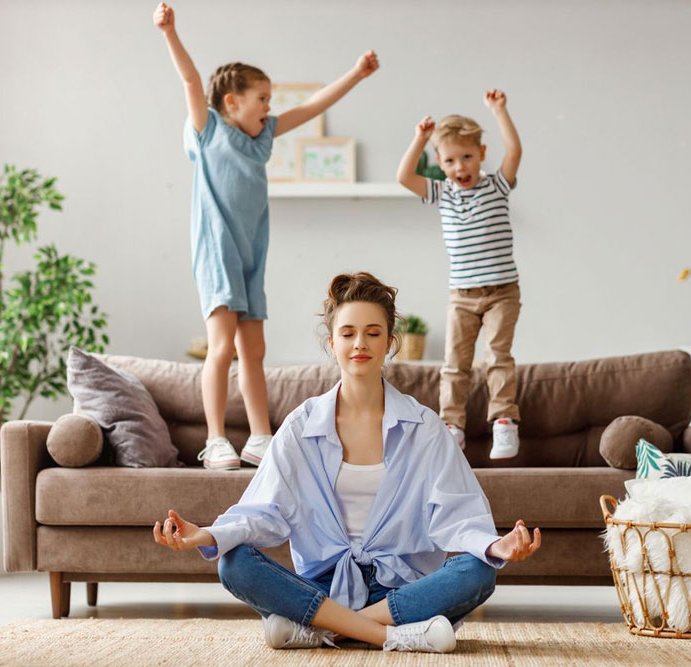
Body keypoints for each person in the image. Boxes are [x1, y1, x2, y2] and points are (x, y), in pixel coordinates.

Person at [153, 272, 541, 653]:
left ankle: (321, 629)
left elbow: (456, 513)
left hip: (399, 590)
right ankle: (392, 636)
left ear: (390, 343)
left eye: (373, 333)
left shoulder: (424, 427)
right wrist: (206, 535)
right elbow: (265, 510)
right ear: (332, 343)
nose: (360, 343)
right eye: (348, 333)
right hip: (321, 586)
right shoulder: (301, 426)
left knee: (478, 571)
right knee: (233, 562)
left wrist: (495, 545)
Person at [154, 2, 379, 470]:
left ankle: (260, 436)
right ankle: (216, 438)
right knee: (221, 346)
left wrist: (356, 74)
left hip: (252, 253)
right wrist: (170, 32)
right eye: (262, 98)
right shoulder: (208, 129)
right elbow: (192, 83)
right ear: (232, 101)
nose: (269, 107)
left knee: (253, 349)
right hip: (217, 252)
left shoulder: (263, 137)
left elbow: (312, 106)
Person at [396, 90, 524, 459]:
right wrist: (420, 137)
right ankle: (452, 425)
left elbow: (514, 151)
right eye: (450, 160)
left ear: (482, 154)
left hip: (502, 291)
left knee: (498, 356)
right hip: (461, 296)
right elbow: (404, 176)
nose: (460, 167)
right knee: (455, 364)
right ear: (439, 162)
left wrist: (500, 111)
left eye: (467, 157)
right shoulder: (442, 193)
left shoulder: (497, 186)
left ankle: (503, 421)